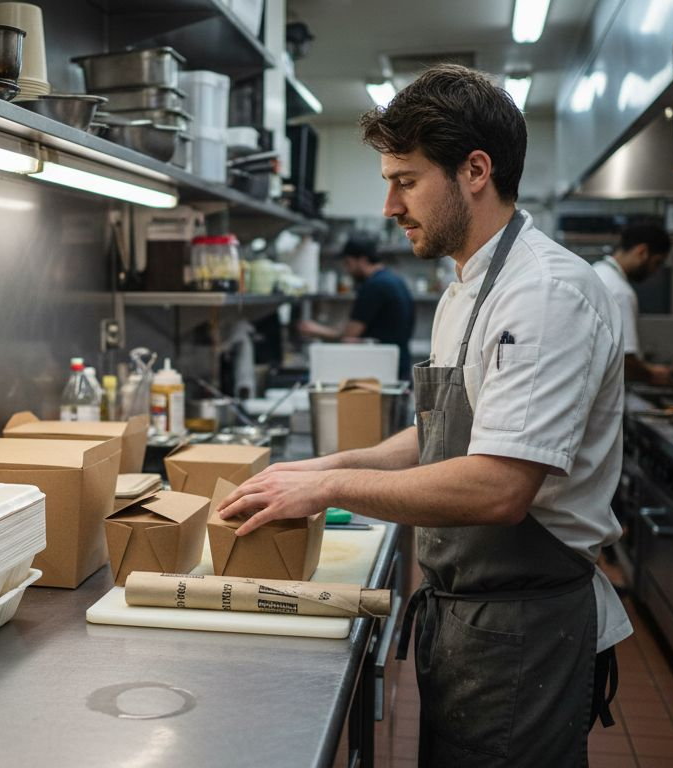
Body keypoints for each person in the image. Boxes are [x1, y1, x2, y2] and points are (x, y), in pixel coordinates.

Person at [217, 63, 630, 766]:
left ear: (475, 170)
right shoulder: (463, 289)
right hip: (467, 616)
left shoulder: (546, 292)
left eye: (404, 181)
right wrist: (324, 464)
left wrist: (330, 489)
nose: (389, 206)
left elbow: (499, 487)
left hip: (522, 626)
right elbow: (441, 437)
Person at [296, 233, 415, 380]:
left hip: (383, 372)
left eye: (348, 263)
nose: (347, 269)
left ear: (362, 260)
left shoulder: (373, 286)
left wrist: (316, 330)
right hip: (399, 366)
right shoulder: (394, 280)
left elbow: (350, 334)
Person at [593, 223, 673, 384]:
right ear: (642, 252)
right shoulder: (620, 291)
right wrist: (653, 375)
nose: (655, 271)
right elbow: (626, 361)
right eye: (657, 262)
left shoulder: (596, 271)